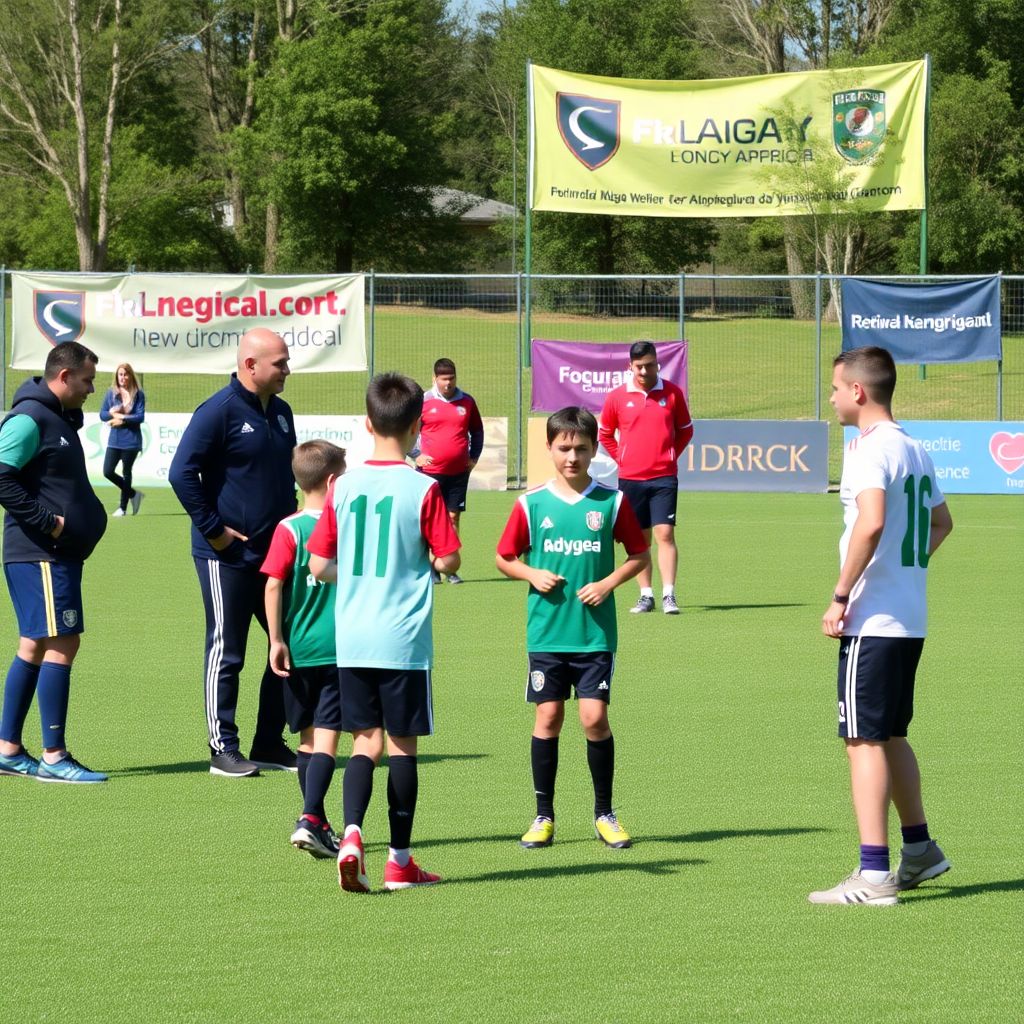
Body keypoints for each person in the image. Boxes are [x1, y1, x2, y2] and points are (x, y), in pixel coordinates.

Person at [809, 346, 953, 906]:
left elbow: (870, 523)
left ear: (858, 391)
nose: (831, 398)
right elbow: (940, 523)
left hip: (872, 618)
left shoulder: (869, 449)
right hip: (908, 616)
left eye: (835, 388)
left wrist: (840, 595)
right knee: (890, 734)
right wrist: (903, 569)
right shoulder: (914, 447)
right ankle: (920, 850)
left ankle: (873, 876)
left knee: (862, 740)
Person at [307, 372, 461, 892]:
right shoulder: (424, 487)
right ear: (418, 426)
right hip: (403, 641)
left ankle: (351, 833)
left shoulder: (343, 486)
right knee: (402, 748)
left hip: (352, 638)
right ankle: (399, 861)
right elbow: (449, 559)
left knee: (364, 743)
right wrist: (426, 561)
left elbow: (319, 564)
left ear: (367, 424)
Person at [496, 406, 649, 850]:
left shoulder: (611, 502)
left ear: (594, 448)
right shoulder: (530, 504)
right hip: (547, 632)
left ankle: (605, 814)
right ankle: (543, 816)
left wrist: (607, 583)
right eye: (564, 448)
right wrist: (531, 573)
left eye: (581, 448)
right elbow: (504, 557)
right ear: (549, 448)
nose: (572, 457)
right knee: (548, 716)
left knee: (594, 718)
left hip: (594, 634)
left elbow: (639, 556)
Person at [169, 327, 298, 778]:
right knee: (228, 649)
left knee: (291, 641)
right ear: (250, 365)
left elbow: (285, 478)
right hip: (225, 556)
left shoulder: (281, 412)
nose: (287, 369)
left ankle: (269, 742)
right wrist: (214, 531)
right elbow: (181, 473)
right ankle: (222, 748)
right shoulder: (218, 411)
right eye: (280, 363)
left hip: (274, 555)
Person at [0, 342, 108, 783]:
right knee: (63, 641)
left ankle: (8, 750)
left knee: (34, 644)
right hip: (41, 553)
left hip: (50, 555)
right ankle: (54, 756)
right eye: (87, 380)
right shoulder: (29, 418)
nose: (91, 389)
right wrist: (50, 523)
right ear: (64, 376)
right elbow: (1, 476)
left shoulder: (56, 417)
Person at [261, 440, 347, 859]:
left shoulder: (288, 528)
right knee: (327, 737)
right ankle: (310, 817)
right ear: (332, 482)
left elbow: (273, 585)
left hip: (298, 650)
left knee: (308, 738)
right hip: (339, 649)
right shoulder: (345, 526)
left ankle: (318, 822)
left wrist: (276, 640)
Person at [598, 340, 693, 615]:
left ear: (657, 364)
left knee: (665, 533)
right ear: (630, 366)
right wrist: (621, 458)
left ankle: (669, 595)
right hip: (630, 479)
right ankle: (646, 595)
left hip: (664, 477)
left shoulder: (672, 393)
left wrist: (670, 455)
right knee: (640, 541)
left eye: (649, 365)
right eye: (638, 366)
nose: (643, 371)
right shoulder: (617, 397)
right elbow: (605, 434)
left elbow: (685, 430)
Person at [411, 357, 483, 585]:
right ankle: (428, 567)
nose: (448, 383)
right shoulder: (423, 402)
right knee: (428, 519)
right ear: (434, 378)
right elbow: (408, 431)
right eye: (443, 379)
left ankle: (449, 568)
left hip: (458, 473)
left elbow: (477, 431)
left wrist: (474, 456)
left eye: (451, 378)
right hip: (429, 473)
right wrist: (416, 454)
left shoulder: (467, 402)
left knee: (453, 517)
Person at [99, 362, 146, 517]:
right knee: (107, 471)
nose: (123, 377)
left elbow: (140, 417)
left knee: (126, 472)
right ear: (117, 376)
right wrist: (112, 413)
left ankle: (123, 508)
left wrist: (123, 419)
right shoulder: (111, 393)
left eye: (125, 374)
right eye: (120, 374)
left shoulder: (138, 394)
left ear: (130, 376)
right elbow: (102, 414)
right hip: (114, 440)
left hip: (131, 441)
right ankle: (133, 494)